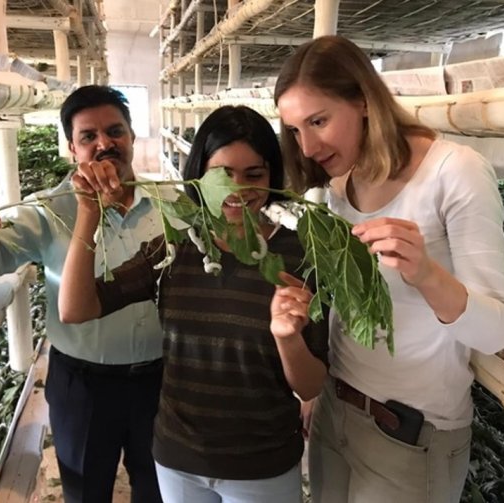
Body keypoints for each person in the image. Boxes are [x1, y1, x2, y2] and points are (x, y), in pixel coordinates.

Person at [273, 36, 504, 503]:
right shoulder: (340, 186)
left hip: (410, 433)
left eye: (319, 121)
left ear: (363, 100)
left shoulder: (454, 172)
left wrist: (425, 272)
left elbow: (496, 332)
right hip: (335, 414)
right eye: (296, 130)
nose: (307, 146)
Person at [58, 105, 330, 503]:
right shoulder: (177, 247)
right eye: (223, 175)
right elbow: (76, 309)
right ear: (199, 177)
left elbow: (310, 385)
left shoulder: (298, 257)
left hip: (261, 465)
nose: (238, 189)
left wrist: (288, 338)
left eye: (254, 175)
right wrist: (88, 214)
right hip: (179, 460)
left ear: (273, 178)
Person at [0, 85, 164, 503]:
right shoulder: (47, 209)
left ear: (131, 137)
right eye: (88, 137)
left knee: (158, 486)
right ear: (72, 149)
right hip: (84, 384)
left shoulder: (169, 203)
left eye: (115, 131)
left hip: (161, 379)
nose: (104, 144)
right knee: (85, 487)